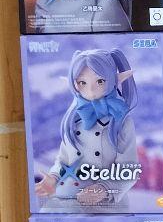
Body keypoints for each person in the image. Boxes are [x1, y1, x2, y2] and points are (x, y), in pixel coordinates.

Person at [35, 48, 140, 211]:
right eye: (82, 82)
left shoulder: (121, 121)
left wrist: (104, 188)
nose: (90, 90)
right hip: (66, 199)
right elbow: (63, 160)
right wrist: (53, 177)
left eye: (100, 81)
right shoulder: (72, 119)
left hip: (105, 206)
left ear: (113, 80)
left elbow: (129, 168)